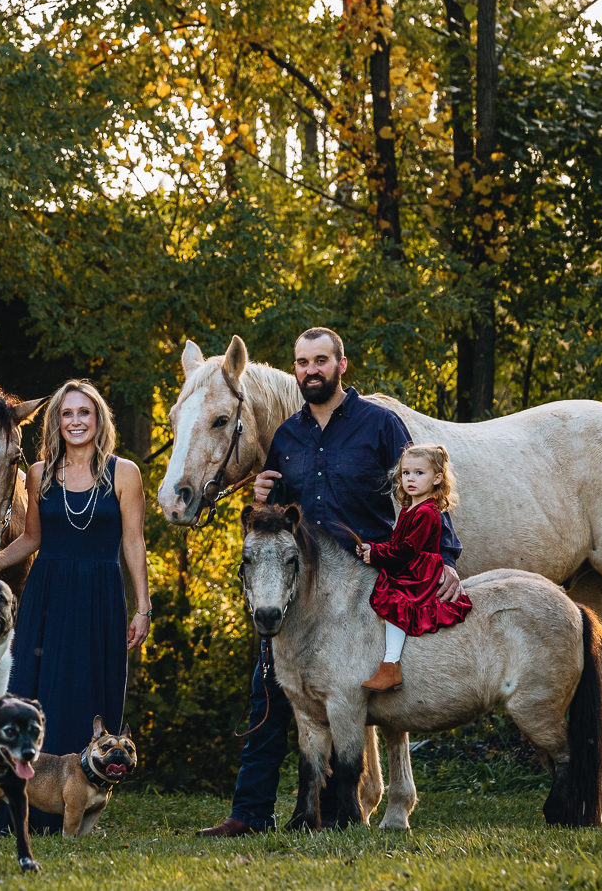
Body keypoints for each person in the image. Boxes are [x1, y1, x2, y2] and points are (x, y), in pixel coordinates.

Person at [197, 327, 464, 837]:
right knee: (272, 693)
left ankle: (342, 808)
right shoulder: (287, 437)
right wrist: (258, 496)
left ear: (342, 365)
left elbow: (421, 492)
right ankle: (250, 813)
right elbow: (271, 518)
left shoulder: (379, 426)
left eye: (321, 360)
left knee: (354, 693)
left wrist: (445, 555)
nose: (310, 370)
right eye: (302, 362)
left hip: (364, 586)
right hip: (301, 593)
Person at [0, 379, 151, 832]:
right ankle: (18, 806)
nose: (75, 421)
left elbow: (133, 542)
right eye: (66, 414)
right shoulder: (36, 474)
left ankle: (82, 808)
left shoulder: (124, 473)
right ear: (55, 422)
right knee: (32, 693)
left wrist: (143, 606)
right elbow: (33, 538)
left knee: (89, 691)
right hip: (47, 594)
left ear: (99, 419)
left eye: (84, 413)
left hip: (101, 597)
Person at [358, 443, 473, 692]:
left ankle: (391, 666)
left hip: (418, 571)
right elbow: (399, 543)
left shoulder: (426, 513)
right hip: (409, 563)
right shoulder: (411, 508)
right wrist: (372, 548)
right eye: (406, 473)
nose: (411, 479)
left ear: (437, 478)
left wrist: (376, 554)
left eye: (419, 473)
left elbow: (407, 550)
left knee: (396, 601)